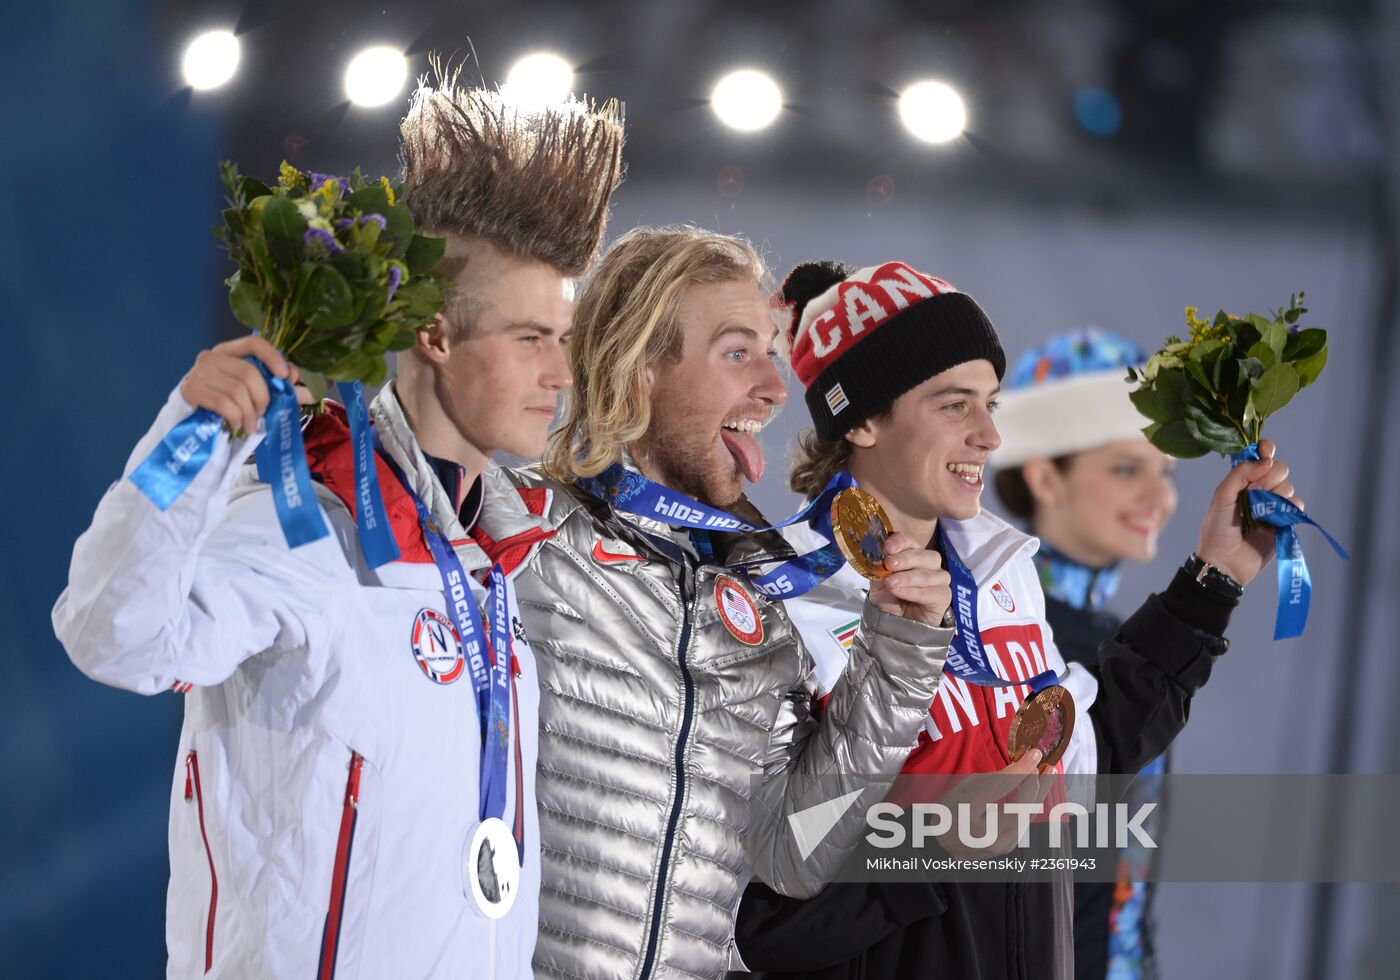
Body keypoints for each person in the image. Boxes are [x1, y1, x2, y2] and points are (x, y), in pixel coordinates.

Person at [51, 82, 622, 978]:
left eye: (564, 338)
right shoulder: (301, 523)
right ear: (435, 334)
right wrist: (191, 440)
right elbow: (114, 639)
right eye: (529, 339)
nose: (561, 375)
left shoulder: (493, 565)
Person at [730, 261, 1302, 980]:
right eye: (953, 404)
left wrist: (1213, 581)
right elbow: (763, 925)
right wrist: (934, 842)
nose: (990, 435)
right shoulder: (776, 597)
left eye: (991, 402)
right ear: (864, 418)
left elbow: (1088, 763)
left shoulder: (1004, 574)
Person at [509, 226, 955, 980]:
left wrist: (898, 658)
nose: (778, 391)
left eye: (771, 356)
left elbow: (792, 855)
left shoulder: (761, 603)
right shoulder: (517, 532)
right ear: (640, 365)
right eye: (737, 352)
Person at [992, 328, 1179, 980]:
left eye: (1166, 471)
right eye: (1127, 468)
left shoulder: (1118, 635)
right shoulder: (1003, 638)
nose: (1159, 500)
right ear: (1044, 474)